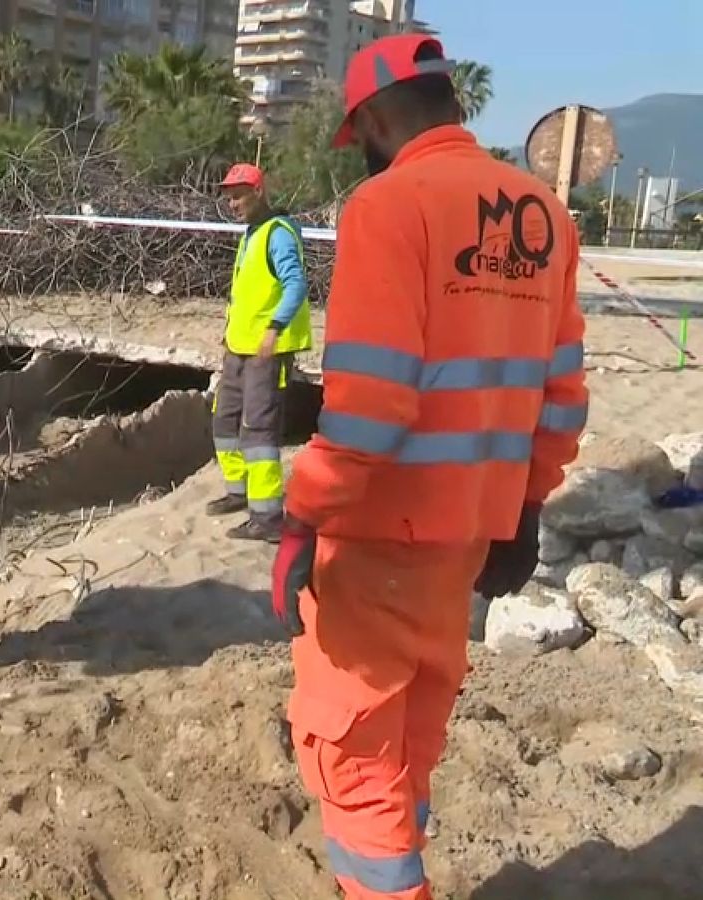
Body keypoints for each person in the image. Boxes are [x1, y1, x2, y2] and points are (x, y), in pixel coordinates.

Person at [270, 34, 588, 900]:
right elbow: (562, 401)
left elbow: (371, 406)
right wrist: (525, 506)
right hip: (469, 539)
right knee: (409, 740)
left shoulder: (388, 206)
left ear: (373, 118)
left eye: (360, 134)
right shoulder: (543, 216)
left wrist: (302, 513)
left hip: (380, 537)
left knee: (353, 756)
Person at [208, 163, 312, 543]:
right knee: (225, 421)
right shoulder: (251, 234)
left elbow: (295, 285)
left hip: (265, 352)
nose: (233, 203)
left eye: (239, 195)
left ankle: (267, 519)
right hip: (239, 347)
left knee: (258, 431)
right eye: (229, 197)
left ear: (258, 192)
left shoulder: (276, 234)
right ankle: (239, 492)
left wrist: (273, 330)